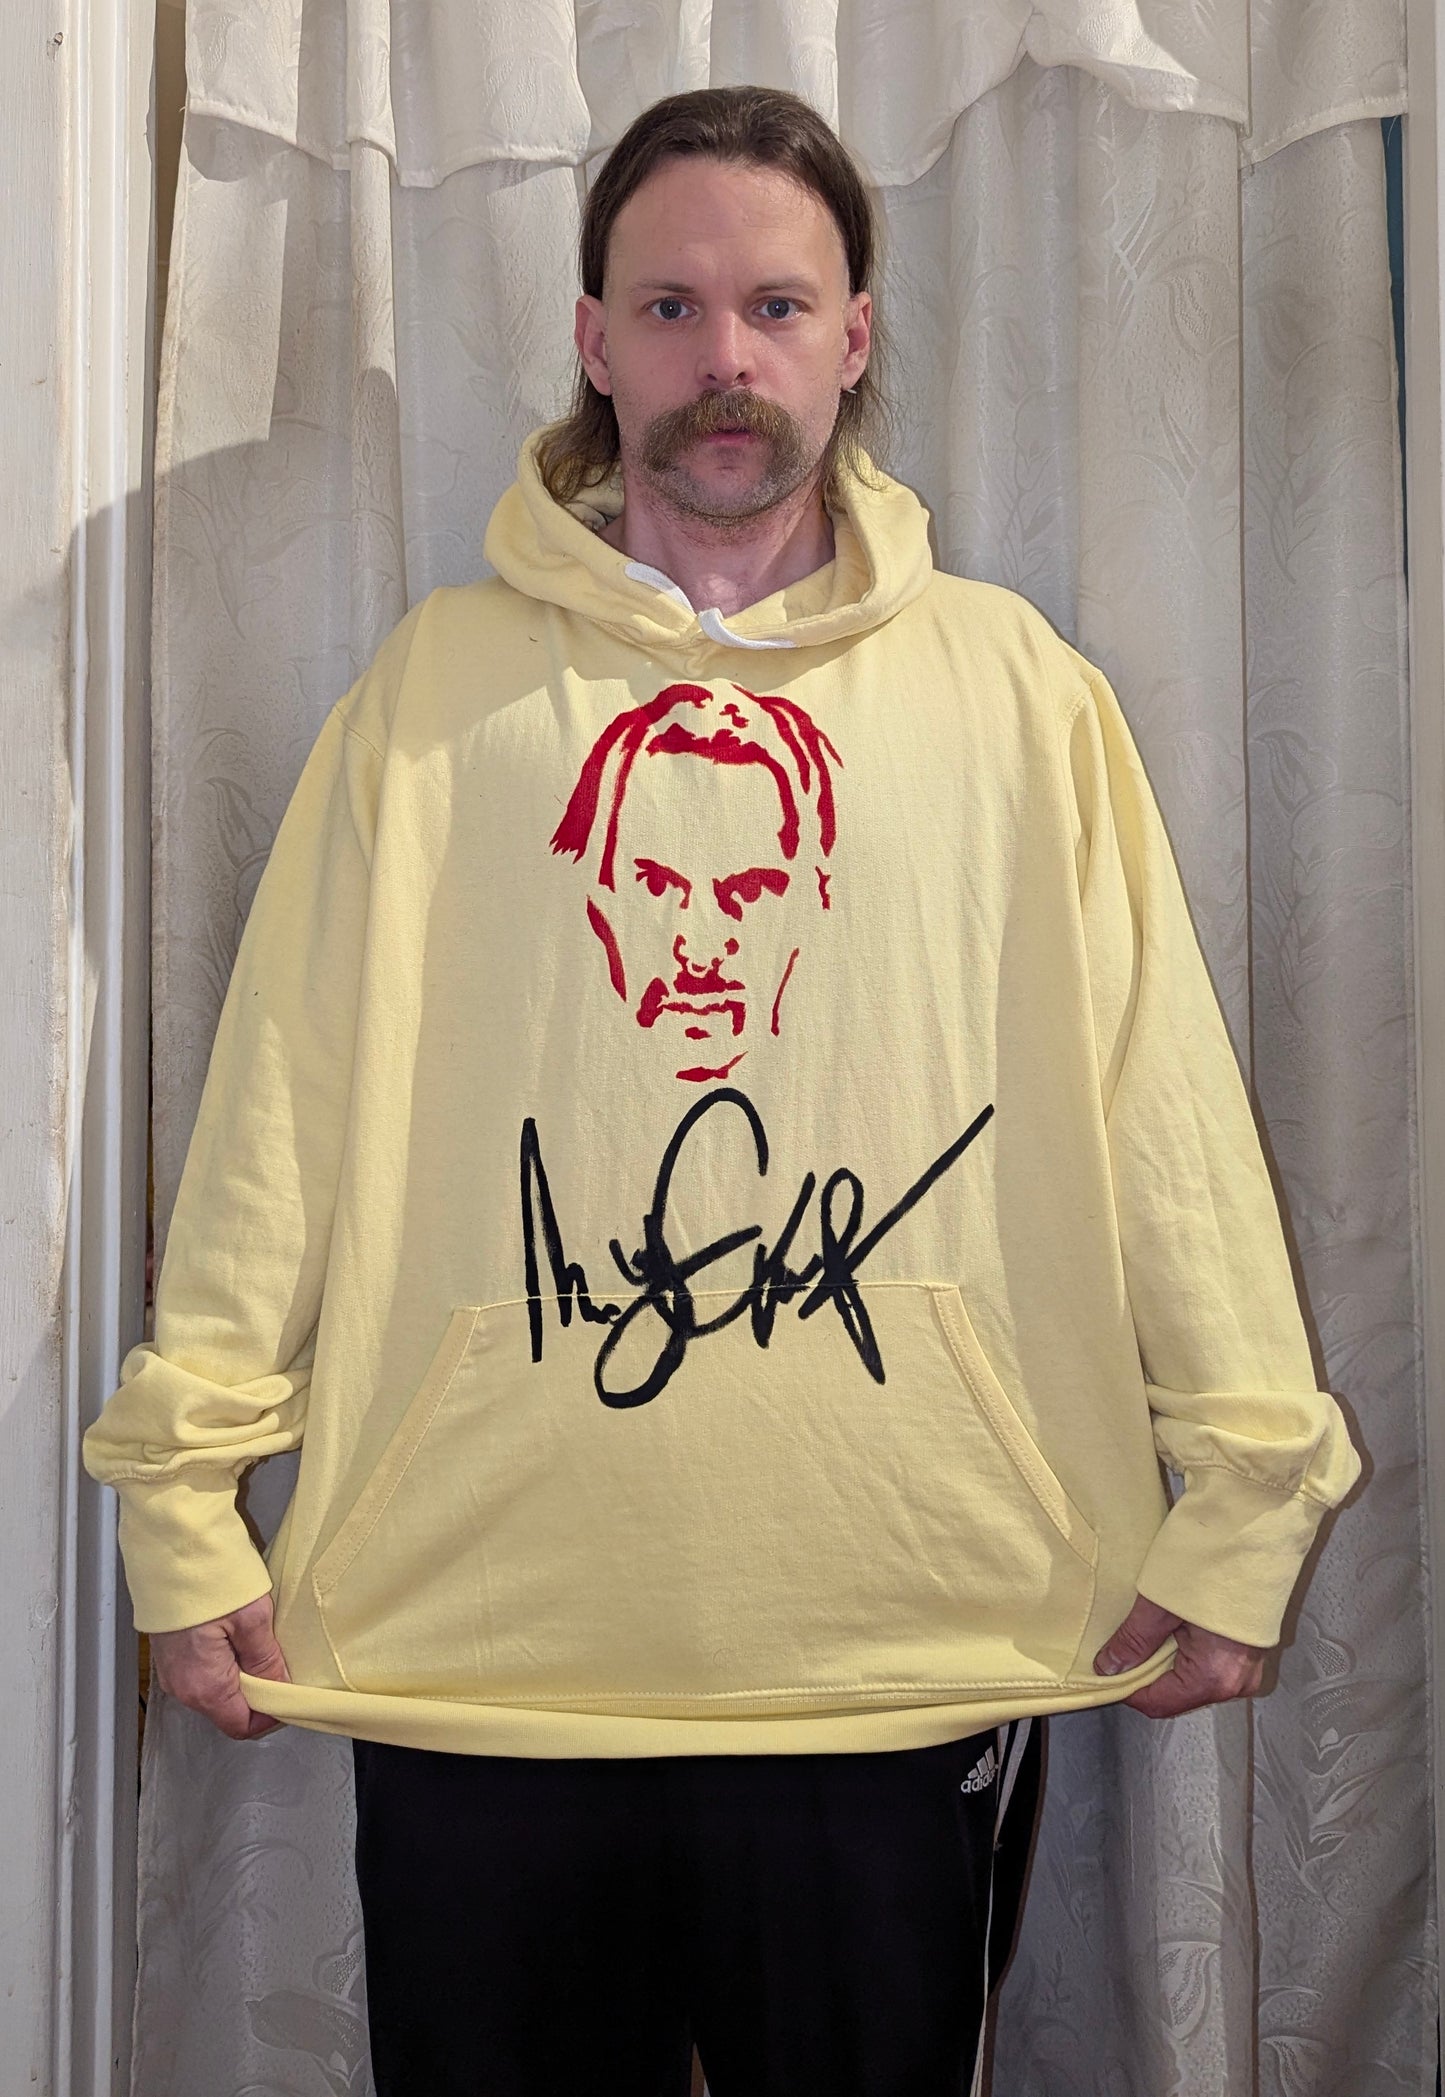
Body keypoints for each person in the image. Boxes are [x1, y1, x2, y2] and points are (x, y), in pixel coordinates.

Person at [84, 82, 1362, 2097]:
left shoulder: (1014, 696)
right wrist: (181, 1502)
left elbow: (1161, 1116)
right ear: (593, 340)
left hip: (891, 1660)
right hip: (484, 1658)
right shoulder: (435, 696)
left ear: (856, 334)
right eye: (670, 308)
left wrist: (1246, 1488)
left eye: (776, 304)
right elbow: (280, 1119)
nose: (724, 358)